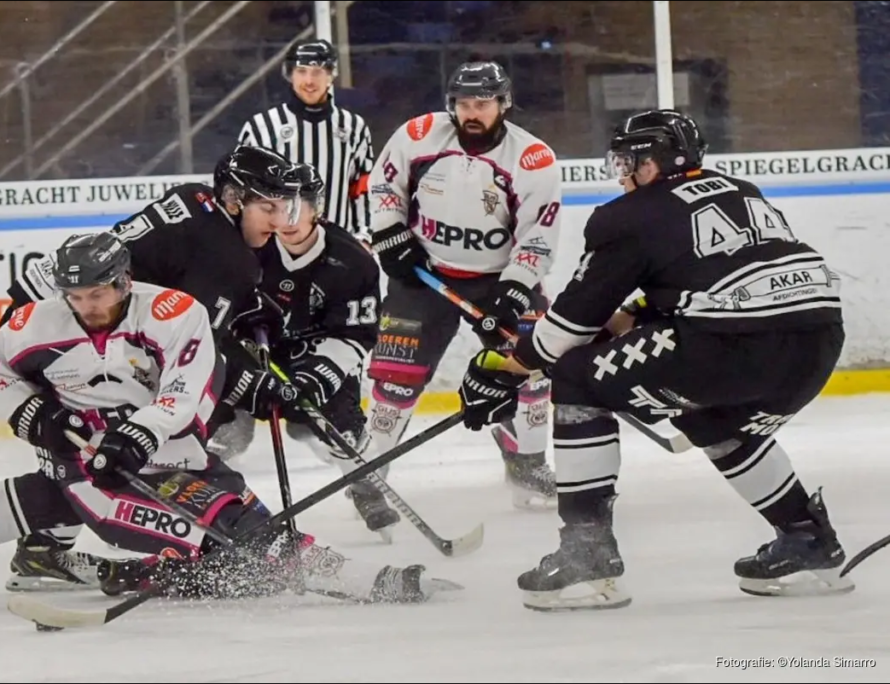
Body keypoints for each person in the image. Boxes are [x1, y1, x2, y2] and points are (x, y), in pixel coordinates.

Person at [0, 233, 457, 612]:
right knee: (246, 543)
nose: (88, 306)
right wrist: (31, 413)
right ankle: (373, 582)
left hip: (180, 459)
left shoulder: (174, 315)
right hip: (94, 469)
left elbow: (183, 394)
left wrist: (137, 434)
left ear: (125, 280)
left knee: (241, 558)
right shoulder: (36, 323)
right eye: (76, 296)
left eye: (99, 292)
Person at [456, 108, 854, 612]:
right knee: (715, 420)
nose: (622, 173)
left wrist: (507, 367)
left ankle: (587, 557)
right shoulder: (740, 191)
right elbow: (694, 294)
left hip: (728, 348)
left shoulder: (629, 215)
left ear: (656, 162)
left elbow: (569, 331)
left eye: (628, 160)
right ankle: (808, 541)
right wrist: (608, 326)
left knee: (578, 377)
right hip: (816, 344)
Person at [0, 145, 307, 593]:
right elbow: (195, 355)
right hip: (76, 332)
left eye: (285, 206)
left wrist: (244, 309)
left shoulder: (195, 197)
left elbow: (167, 290)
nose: (281, 222)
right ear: (235, 200)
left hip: (49, 320)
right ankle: (189, 535)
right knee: (143, 438)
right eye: (268, 207)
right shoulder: (228, 258)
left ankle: (42, 549)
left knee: (84, 446)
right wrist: (251, 382)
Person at [364, 60, 563, 511]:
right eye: (464, 103)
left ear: (504, 104)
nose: (472, 113)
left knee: (531, 364)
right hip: (422, 274)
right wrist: (390, 233)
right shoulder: (418, 135)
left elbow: (537, 237)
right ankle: (370, 472)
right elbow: (384, 185)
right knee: (397, 379)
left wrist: (514, 289)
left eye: (483, 103)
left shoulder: (532, 159)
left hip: (498, 278)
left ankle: (528, 461)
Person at [205, 163, 397, 539]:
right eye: (275, 207)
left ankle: (364, 485)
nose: (285, 218)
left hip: (319, 353)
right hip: (254, 354)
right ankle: (198, 496)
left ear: (317, 208)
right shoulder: (248, 249)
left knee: (340, 428)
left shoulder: (352, 261)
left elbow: (356, 334)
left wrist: (318, 374)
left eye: (296, 207)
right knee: (228, 433)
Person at [237, 38, 374, 241]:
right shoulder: (260, 128)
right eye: (301, 71)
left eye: (317, 72)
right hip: (275, 250)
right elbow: (243, 191)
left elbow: (363, 190)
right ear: (290, 75)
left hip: (337, 248)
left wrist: (364, 237)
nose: (309, 81)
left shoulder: (354, 127)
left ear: (330, 75)